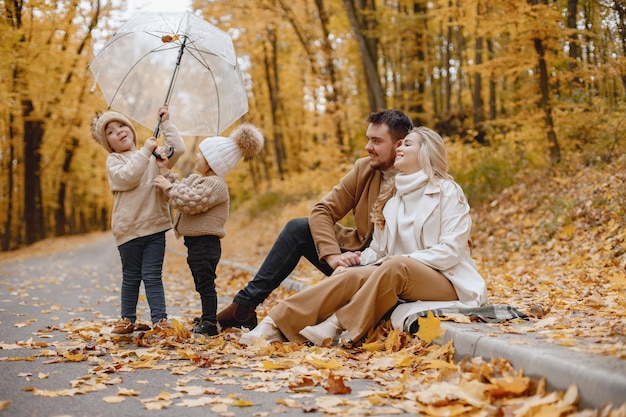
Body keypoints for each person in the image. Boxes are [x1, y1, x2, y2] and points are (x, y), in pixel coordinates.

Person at [239, 126, 487, 346]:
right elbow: (379, 252)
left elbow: (452, 250)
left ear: (426, 153)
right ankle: (274, 324)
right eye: (400, 144)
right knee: (351, 275)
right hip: (394, 274)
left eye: (407, 144)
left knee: (396, 264)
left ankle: (336, 323)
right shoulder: (392, 199)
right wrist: (357, 260)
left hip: (447, 281)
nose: (400, 148)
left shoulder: (447, 191)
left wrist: (396, 260)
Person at [217, 110, 414, 330]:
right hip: (359, 258)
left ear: (399, 145)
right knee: (298, 228)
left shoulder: (424, 179)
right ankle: (244, 307)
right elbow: (322, 210)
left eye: (376, 141)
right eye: (368, 139)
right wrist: (332, 255)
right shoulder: (365, 168)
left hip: (392, 271)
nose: (368, 147)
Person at [153, 124, 264, 336]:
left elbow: (190, 201)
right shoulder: (199, 180)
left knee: (205, 283)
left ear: (213, 162)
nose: (196, 156)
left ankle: (211, 323)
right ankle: (207, 315)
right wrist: (164, 171)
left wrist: (168, 188)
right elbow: (182, 188)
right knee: (200, 281)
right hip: (195, 243)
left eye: (201, 154)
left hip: (206, 243)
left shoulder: (216, 185)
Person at [91, 106, 186, 334]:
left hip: (154, 226)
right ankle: (127, 318)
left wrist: (166, 124)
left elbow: (179, 149)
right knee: (131, 276)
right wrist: (145, 151)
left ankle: (160, 319)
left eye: (122, 125)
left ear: (131, 129)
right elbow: (129, 177)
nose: (119, 131)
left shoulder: (154, 156)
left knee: (153, 275)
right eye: (111, 132)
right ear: (109, 144)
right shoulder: (114, 161)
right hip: (129, 229)